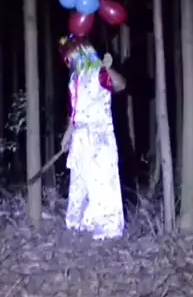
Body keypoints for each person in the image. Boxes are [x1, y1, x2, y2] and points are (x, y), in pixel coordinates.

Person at [58, 34, 127, 240]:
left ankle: (107, 229)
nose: (68, 61)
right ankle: (78, 223)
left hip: (99, 136)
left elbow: (121, 85)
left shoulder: (99, 74)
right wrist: (67, 135)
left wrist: (109, 68)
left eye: (70, 55)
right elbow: (74, 112)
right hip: (79, 138)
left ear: (81, 52)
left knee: (102, 181)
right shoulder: (74, 80)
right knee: (79, 181)